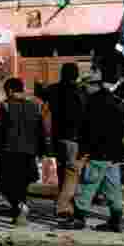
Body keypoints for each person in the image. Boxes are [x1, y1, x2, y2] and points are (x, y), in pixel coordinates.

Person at [65, 72, 124, 232]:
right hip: (114, 154)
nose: (84, 90)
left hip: (99, 152)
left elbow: (89, 131)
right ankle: (116, 221)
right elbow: (121, 130)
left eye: (85, 87)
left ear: (94, 85)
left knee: (87, 185)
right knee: (113, 188)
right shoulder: (117, 102)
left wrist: (83, 151)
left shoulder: (93, 103)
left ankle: (78, 219)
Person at [0, 78, 47, 227]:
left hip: (9, 152)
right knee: (22, 183)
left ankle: (19, 208)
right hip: (28, 152)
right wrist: (42, 151)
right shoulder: (35, 106)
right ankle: (20, 209)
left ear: (10, 91)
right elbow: (41, 130)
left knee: (7, 183)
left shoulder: (6, 106)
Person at [47, 63, 85, 217]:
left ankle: (65, 204)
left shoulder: (53, 90)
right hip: (74, 138)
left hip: (58, 136)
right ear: (76, 75)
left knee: (63, 171)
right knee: (72, 173)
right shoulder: (80, 92)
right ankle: (65, 206)